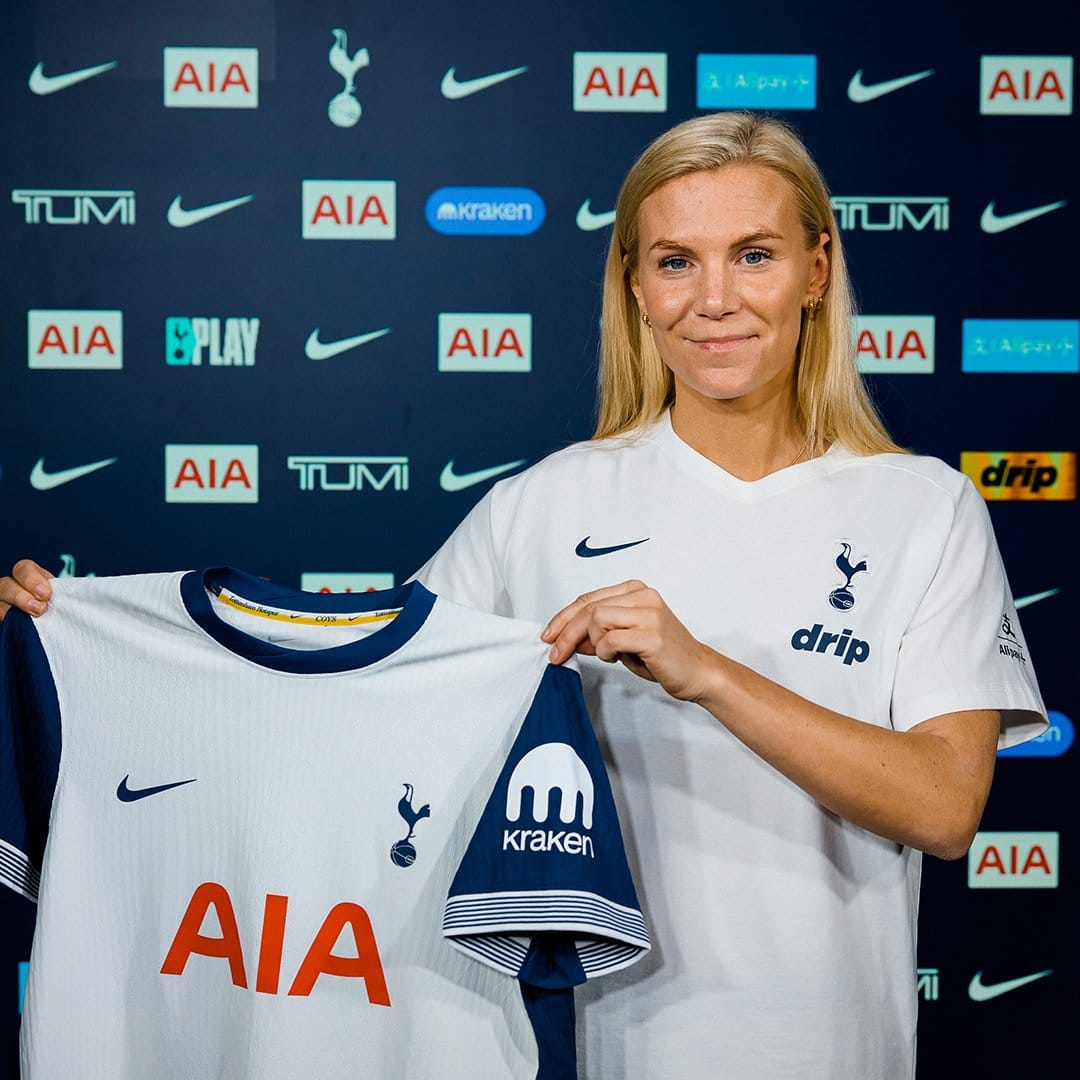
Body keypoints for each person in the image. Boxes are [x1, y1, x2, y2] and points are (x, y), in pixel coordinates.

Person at [1, 112, 1047, 1078]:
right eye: (676, 262)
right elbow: (343, 715)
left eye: (755, 256)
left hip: (831, 1049)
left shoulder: (925, 506)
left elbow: (945, 806)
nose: (714, 298)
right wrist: (86, 649)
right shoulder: (541, 505)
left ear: (817, 270)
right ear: (634, 285)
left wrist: (709, 674)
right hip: (575, 1044)